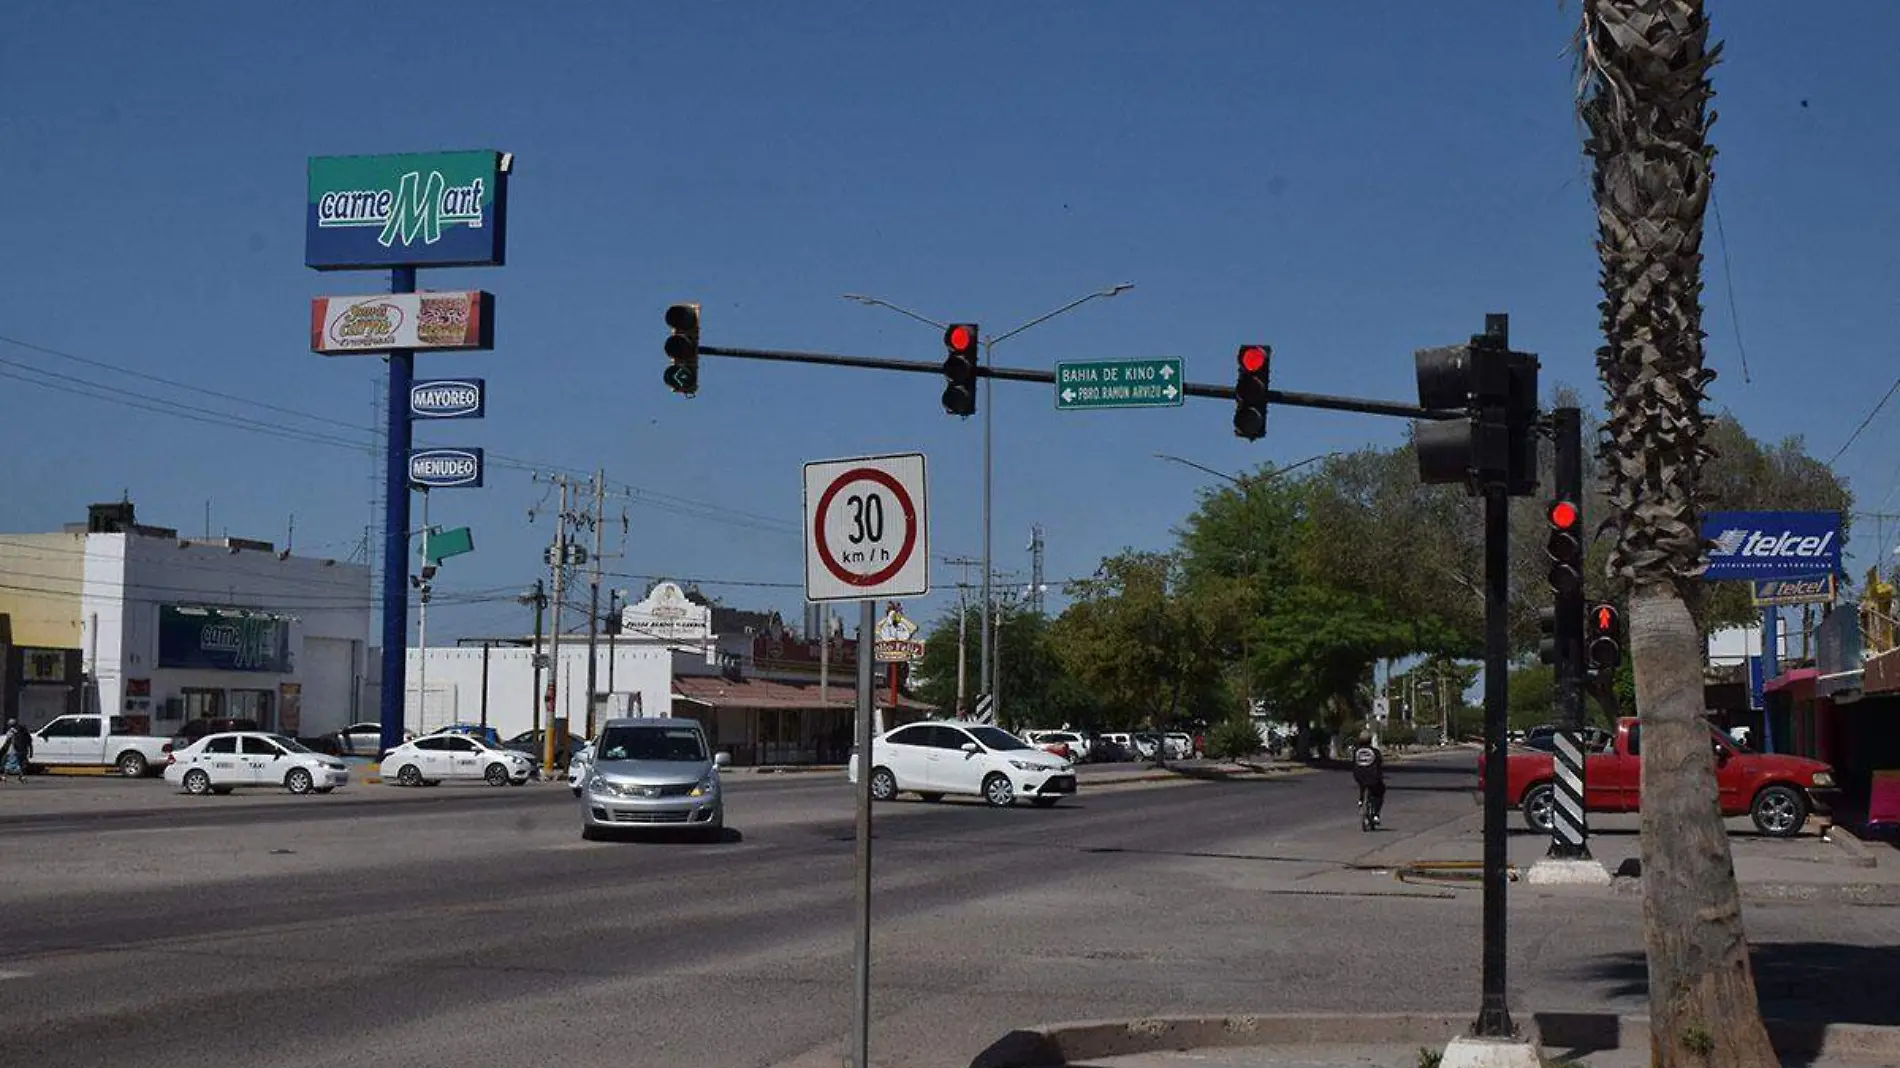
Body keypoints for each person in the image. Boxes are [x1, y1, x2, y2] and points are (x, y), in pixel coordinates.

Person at [1352, 731, 1384, 826]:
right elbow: (1379, 763)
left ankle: (1361, 800)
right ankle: (1376, 815)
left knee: (1362, 786)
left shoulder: (1356, 752)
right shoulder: (1375, 752)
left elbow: (1354, 764)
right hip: (1373, 778)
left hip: (1359, 777)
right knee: (1380, 791)